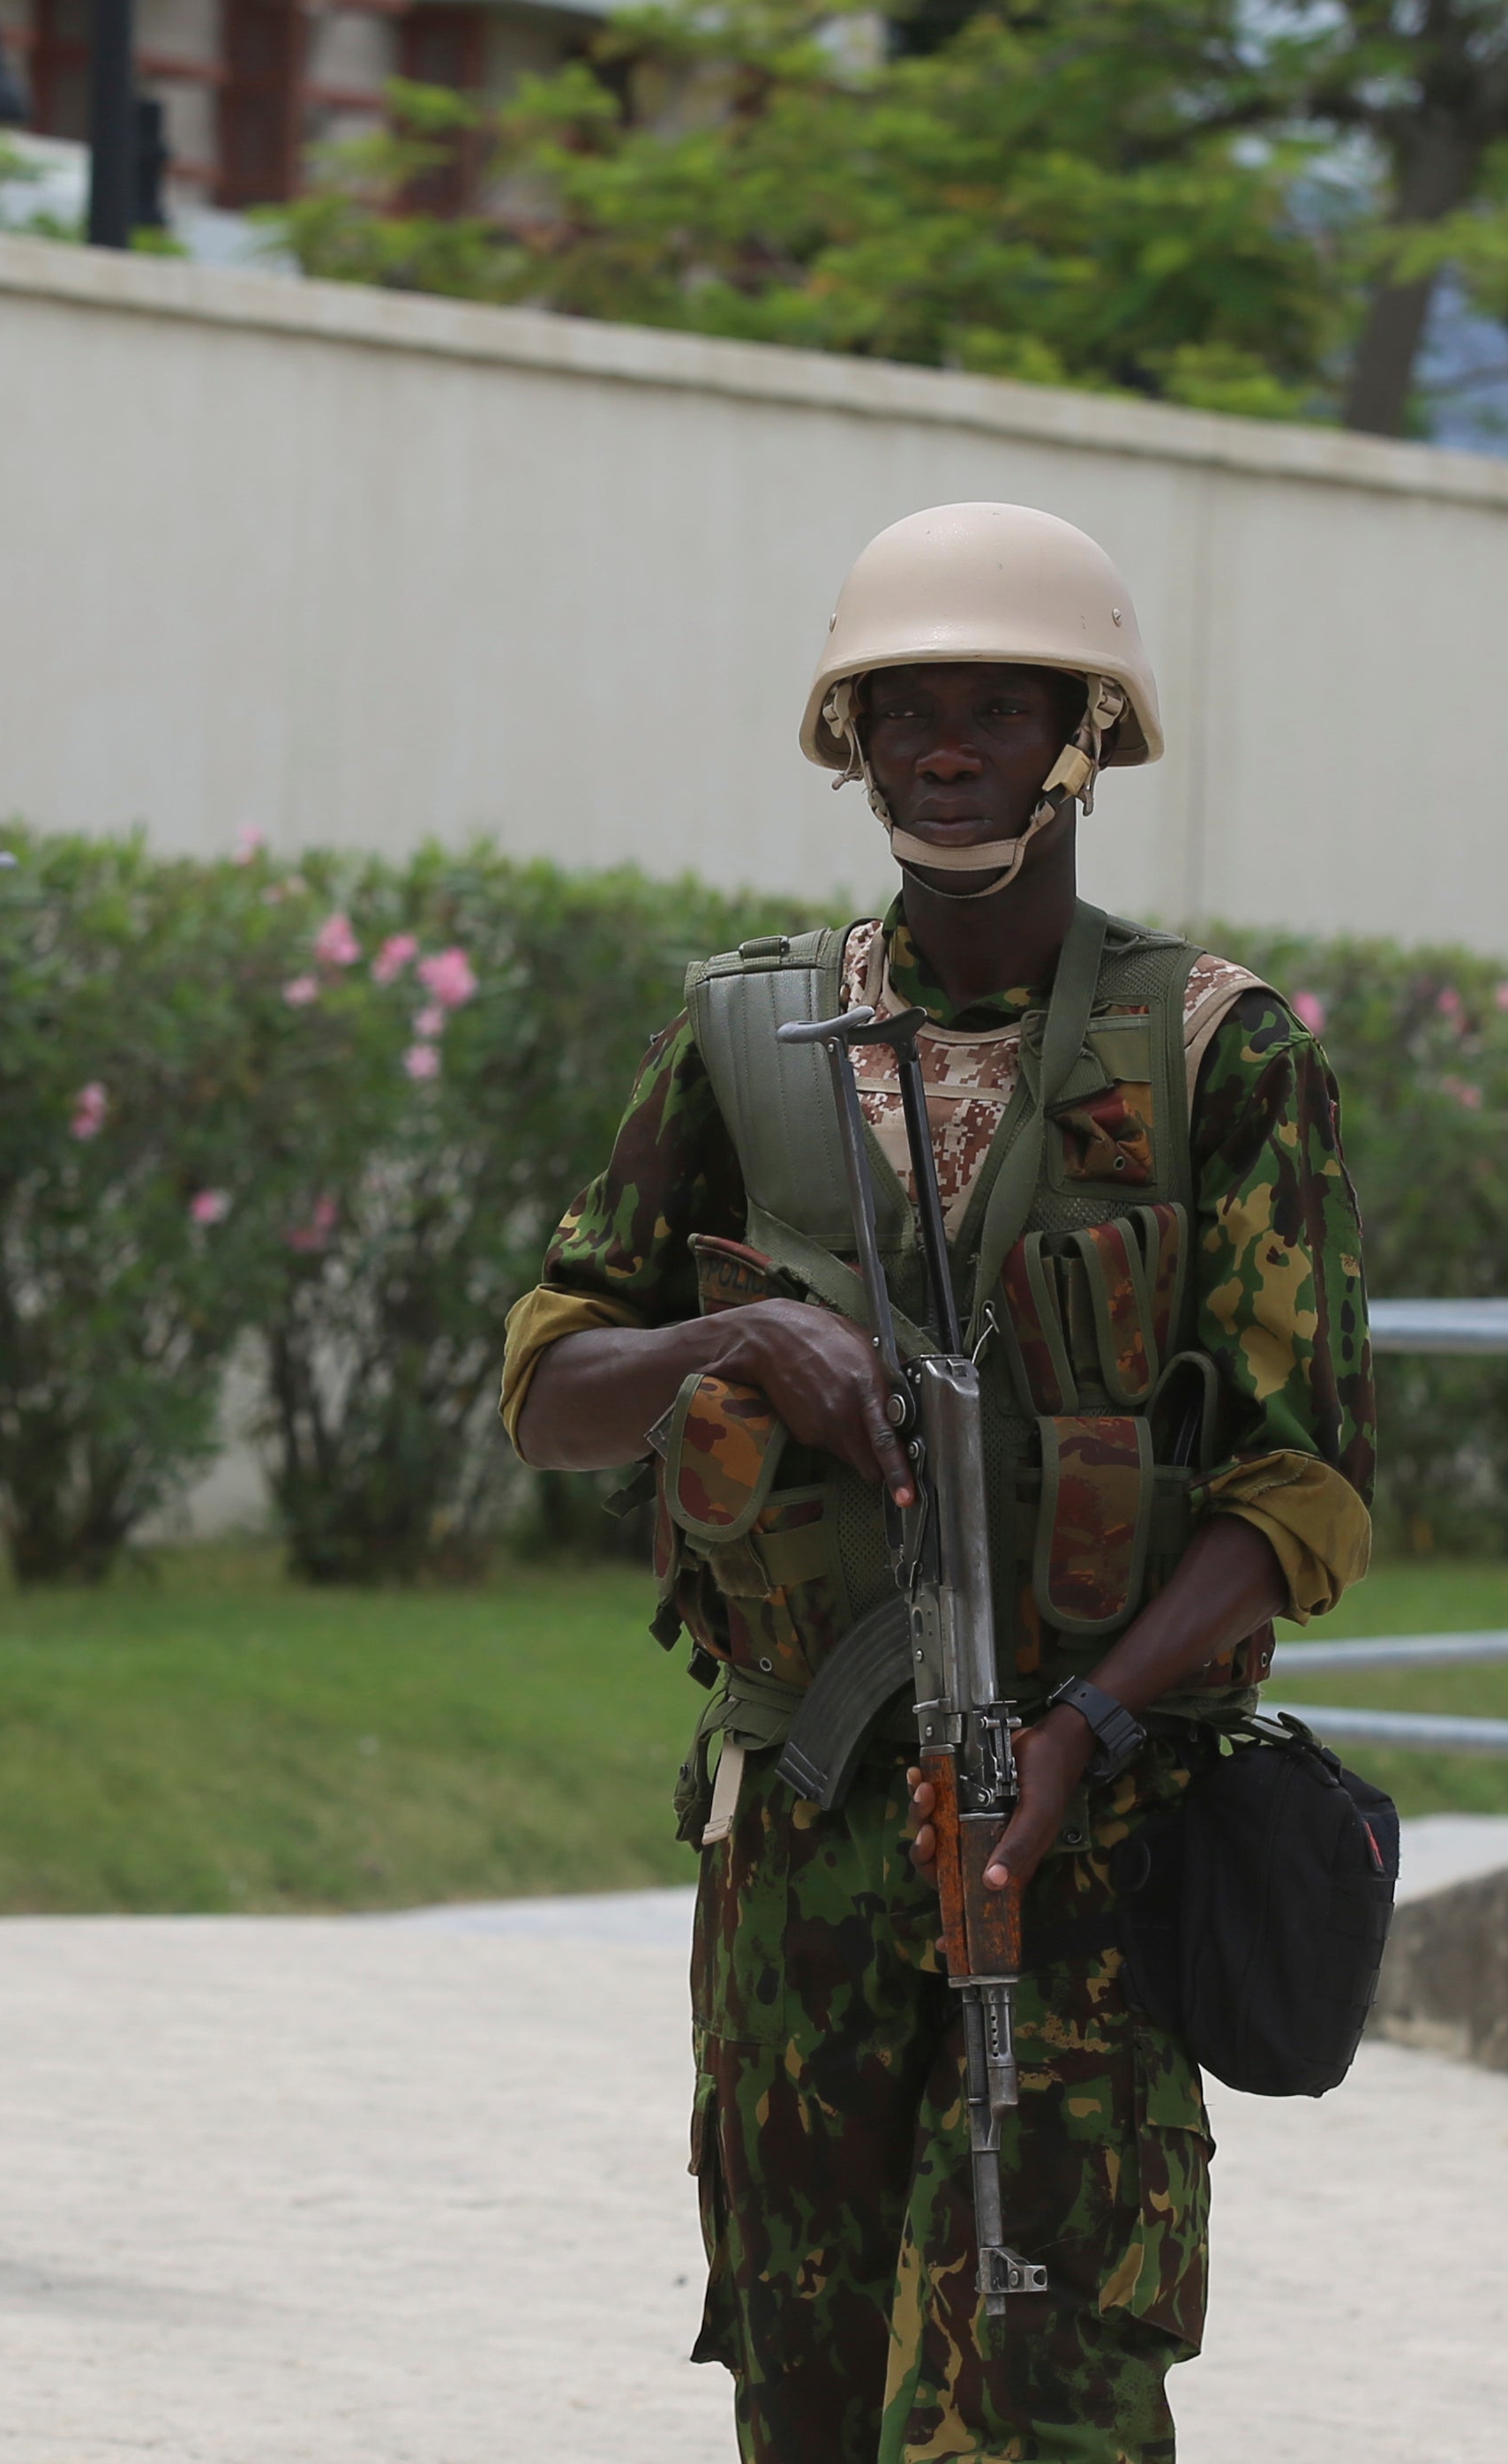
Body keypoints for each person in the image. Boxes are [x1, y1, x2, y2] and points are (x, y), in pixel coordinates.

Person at [502, 501, 1377, 2461]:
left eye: (996, 705)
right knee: (804, 2396)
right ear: (851, 738)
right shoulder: (747, 1034)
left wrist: (1088, 1714)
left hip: (1081, 1842)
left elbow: (1302, 1485)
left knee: (1030, 2396)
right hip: (802, 1844)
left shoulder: (1220, 1054)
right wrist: (731, 1345)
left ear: (1086, 742)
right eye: (903, 706)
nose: (944, 744)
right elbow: (553, 1383)